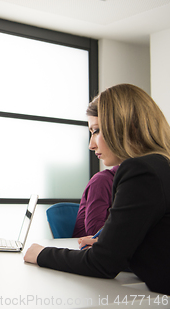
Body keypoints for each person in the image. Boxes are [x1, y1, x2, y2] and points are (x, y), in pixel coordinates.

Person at [24, 84, 170, 295]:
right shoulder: (161, 165)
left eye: (96, 130)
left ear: (127, 126)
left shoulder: (140, 171)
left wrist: (41, 253)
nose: (91, 144)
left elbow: (102, 264)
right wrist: (114, 245)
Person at [72, 100, 119, 237]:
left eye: (96, 131)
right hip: (86, 253)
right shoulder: (102, 180)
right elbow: (95, 235)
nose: (91, 145)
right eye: (93, 131)